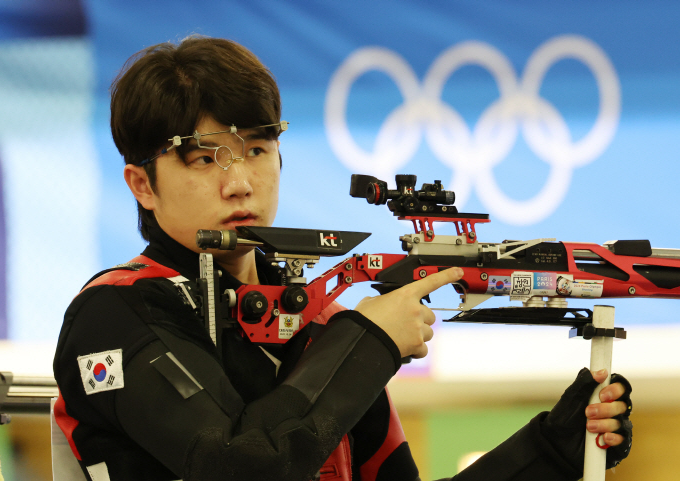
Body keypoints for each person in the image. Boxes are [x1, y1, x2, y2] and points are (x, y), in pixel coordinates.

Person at [53, 35, 632, 481]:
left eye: (257, 149)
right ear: (142, 184)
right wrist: (370, 341)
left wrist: (557, 447)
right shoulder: (115, 313)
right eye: (206, 159)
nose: (240, 183)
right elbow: (237, 464)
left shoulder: (320, 323)